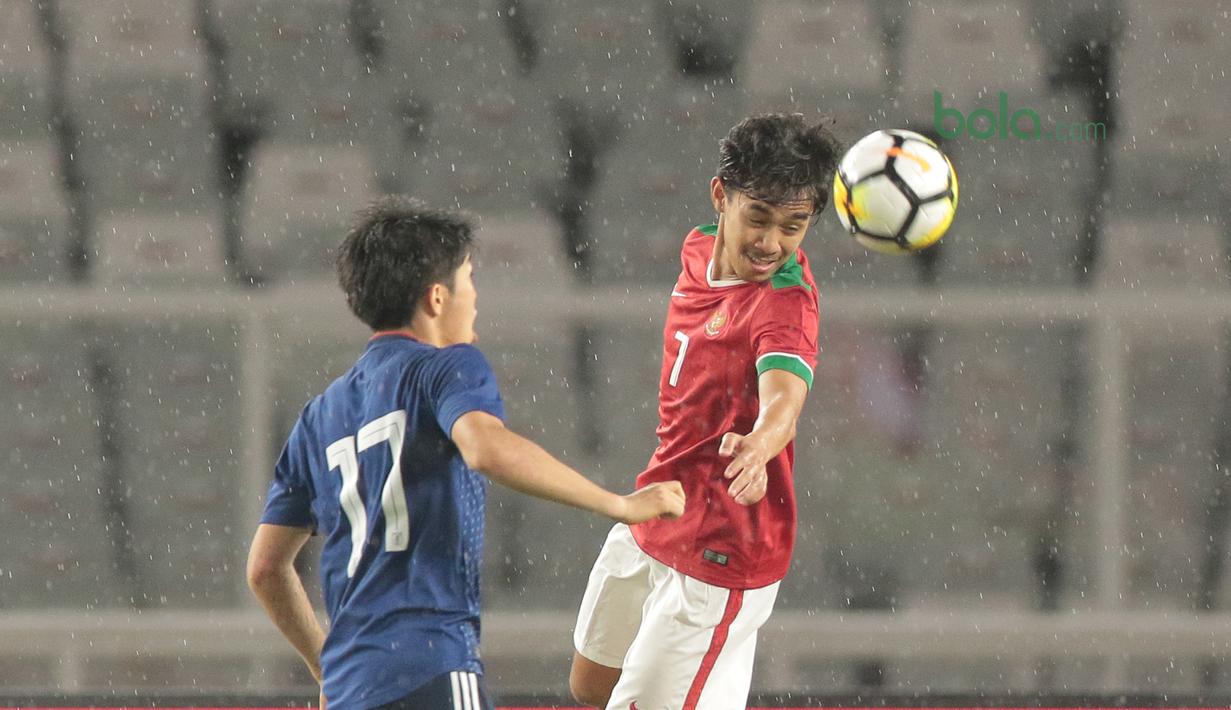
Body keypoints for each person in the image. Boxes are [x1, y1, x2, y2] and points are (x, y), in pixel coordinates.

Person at [246, 198, 686, 710]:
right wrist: (620, 505)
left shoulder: (318, 417)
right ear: (437, 297)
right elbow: (484, 447)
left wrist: (327, 665)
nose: (474, 298)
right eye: (470, 280)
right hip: (431, 665)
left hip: (351, 688)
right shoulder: (447, 368)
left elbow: (265, 568)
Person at [568, 113, 841, 710]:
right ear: (721, 196)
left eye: (794, 227)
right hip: (659, 506)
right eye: (759, 218)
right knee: (592, 685)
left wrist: (763, 440)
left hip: (723, 545)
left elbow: (784, 397)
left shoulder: (785, 306)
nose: (772, 243)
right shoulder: (697, 249)